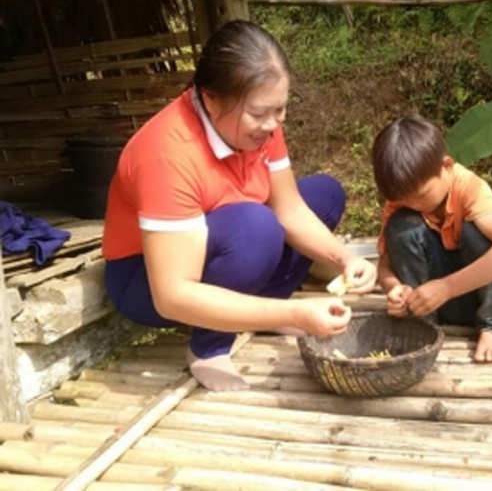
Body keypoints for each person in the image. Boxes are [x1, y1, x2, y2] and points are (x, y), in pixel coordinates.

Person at [103, 20, 376, 391]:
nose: (272, 124)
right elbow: (172, 295)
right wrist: (295, 311)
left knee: (324, 194)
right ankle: (209, 348)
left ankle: (261, 307)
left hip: (223, 238)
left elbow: (291, 209)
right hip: (147, 281)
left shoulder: (263, 126)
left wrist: (344, 258)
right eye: (260, 113)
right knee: (256, 228)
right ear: (211, 99)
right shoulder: (167, 153)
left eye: (280, 110)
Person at [371, 116, 492, 362]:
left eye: (421, 195)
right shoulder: (400, 200)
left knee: (476, 233)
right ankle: (422, 323)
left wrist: (446, 288)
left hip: (484, 292)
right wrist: (395, 289)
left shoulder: (469, 187)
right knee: (401, 227)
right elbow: (385, 266)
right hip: (434, 300)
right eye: (406, 200)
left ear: (446, 166)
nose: (414, 204)